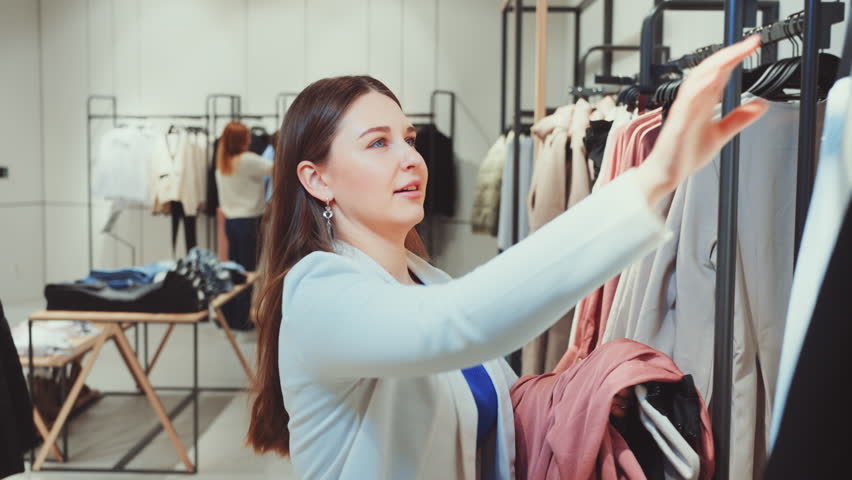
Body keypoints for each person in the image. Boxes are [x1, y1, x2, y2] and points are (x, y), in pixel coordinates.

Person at [246, 37, 768, 479]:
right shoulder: (317, 289)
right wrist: (654, 178)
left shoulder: (425, 280)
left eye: (408, 138)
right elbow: (460, 325)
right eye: (378, 143)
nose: (410, 157)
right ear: (317, 180)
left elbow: (494, 398)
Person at [214, 121, 272, 330]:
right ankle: (242, 321)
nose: (250, 139)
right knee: (247, 274)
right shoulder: (248, 161)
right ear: (242, 139)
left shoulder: (223, 163)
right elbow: (278, 170)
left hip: (232, 223)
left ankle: (229, 317)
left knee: (234, 272)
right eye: (247, 136)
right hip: (248, 223)